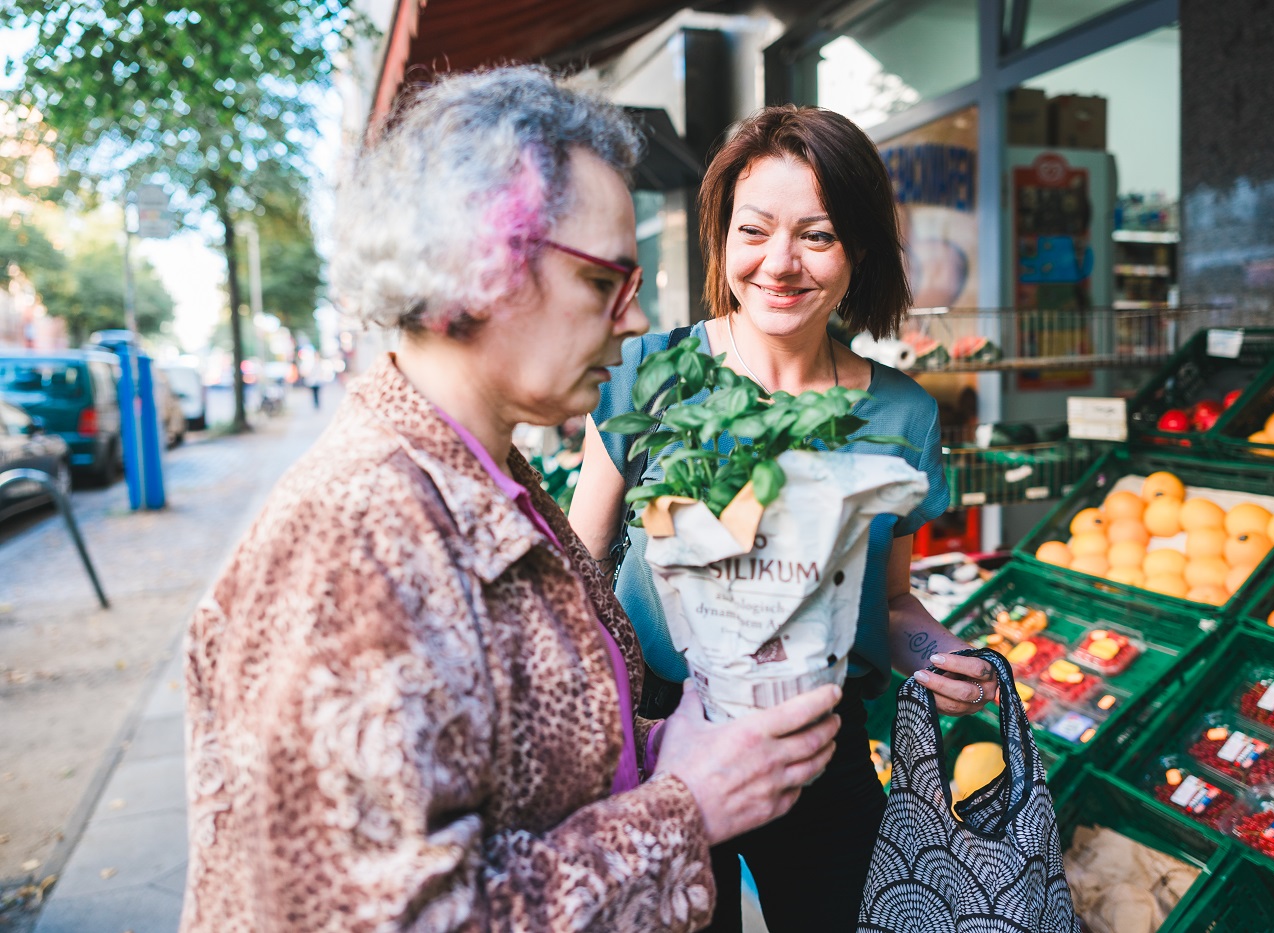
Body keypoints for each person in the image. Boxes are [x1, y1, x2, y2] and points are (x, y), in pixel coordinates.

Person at [179, 68, 845, 933]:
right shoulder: (352, 537)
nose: (634, 320)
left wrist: (667, 750)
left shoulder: (482, 475)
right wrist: (686, 805)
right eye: (605, 282)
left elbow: (528, 767)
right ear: (479, 264)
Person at [570, 105, 998, 933]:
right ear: (722, 238)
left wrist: (946, 658)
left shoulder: (902, 414)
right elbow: (575, 579)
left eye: (818, 235)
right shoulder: (648, 374)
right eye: (754, 230)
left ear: (859, 250)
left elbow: (889, 604)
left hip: (818, 737)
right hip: (662, 737)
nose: (779, 263)